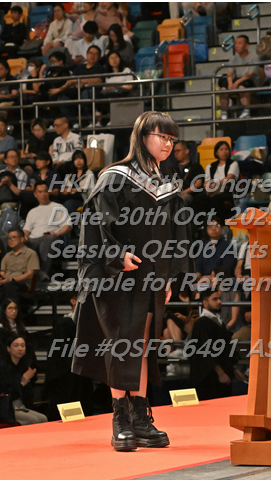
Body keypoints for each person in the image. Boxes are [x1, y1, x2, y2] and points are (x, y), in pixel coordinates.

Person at [73, 111, 190, 452]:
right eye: (161, 137)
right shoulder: (115, 177)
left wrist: (168, 275)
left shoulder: (167, 184)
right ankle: (120, 419)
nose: (168, 144)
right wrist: (117, 254)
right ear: (142, 137)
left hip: (151, 277)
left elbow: (174, 235)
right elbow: (96, 223)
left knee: (143, 344)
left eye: (172, 139)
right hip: (118, 276)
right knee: (121, 343)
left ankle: (140, 418)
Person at [187, 286, 247, 400]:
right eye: (215, 299)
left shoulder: (218, 322)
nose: (219, 302)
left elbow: (226, 348)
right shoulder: (202, 323)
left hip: (222, 379)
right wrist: (220, 373)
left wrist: (234, 368)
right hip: (209, 381)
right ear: (205, 302)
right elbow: (205, 352)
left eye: (219, 298)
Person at [0, 334, 47, 425]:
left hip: (21, 405)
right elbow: (6, 394)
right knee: (33, 420)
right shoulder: (3, 367)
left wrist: (29, 381)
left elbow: (28, 394)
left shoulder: (23, 366)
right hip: (7, 408)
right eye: (16, 345)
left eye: (22, 345)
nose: (20, 348)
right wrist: (23, 382)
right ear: (8, 349)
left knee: (43, 418)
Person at [23, 181, 72, 279]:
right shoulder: (32, 211)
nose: (43, 194)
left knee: (48, 239)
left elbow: (68, 226)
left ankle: (43, 271)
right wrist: (23, 237)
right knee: (14, 239)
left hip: (52, 237)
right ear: (35, 194)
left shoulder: (58, 207)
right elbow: (26, 230)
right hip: (34, 239)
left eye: (45, 191)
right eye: (40, 192)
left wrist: (58, 234)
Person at [218, 35, 259, 120]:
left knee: (242, 86)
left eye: (239, 43)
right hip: (237, 79)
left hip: (249, 80)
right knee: (223, 87)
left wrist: (236, 82)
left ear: (246, 46)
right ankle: (224, 112)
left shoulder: (254, 57)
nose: (236, 46)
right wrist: (230, 83)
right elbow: (230, 73)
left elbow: (250, 74)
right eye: (236, 43)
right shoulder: (234, 58)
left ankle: (246, 111)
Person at [0, 298, 35, 370]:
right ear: (4, 311)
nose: (14, 311)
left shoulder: (21, 330)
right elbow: (0, 354)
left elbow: (29, 350)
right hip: (8, 367)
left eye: (15, 308)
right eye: (10, 308)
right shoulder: (1, 331)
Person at [0, 230, 40, 300]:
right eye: (9, 238)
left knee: (9, 286)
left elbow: (30, 274)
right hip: (7, 281)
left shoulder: (31, 254)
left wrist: (12, 279)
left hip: (22, 283)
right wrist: (4, 279)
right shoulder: (7, 255)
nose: (10, 240)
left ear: (22, 239)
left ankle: (13, 306)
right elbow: (2, 272)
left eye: (14, 237)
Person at [204, 141, 239, 221]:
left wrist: (216, 183)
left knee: (216, 199)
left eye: (226, 149)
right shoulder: (210, 166)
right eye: (221, 149)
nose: (224, 151)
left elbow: (229, 177)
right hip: (213, 190)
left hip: (227, 190)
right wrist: (208, 187)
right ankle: (203, 223)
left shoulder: (233, 164)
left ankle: (218, 221)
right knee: (199, 198)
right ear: (217, 152)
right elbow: (207, 181)